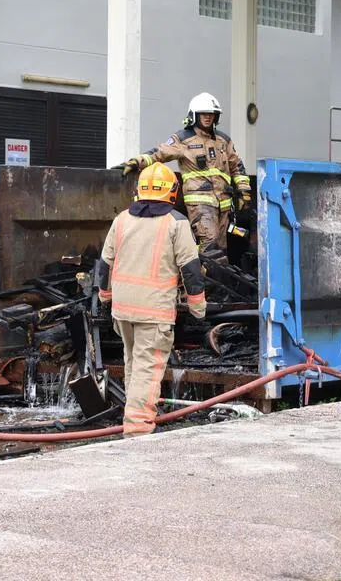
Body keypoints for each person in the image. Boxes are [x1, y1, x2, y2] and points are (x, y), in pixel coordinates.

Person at [97, 163, 208, 436]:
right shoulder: (176, 222)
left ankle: (132, 418)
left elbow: (105, 263)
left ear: (139, 190)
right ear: (172, 191)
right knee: (147, 369)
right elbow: (191, 268)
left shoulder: (122, 219)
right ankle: (137, 429)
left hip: (123, 309)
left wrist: (105, 296)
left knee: (134, 364)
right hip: (154, 311)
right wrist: (198, 307)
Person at [122, 92, 251, 260]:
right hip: (200, 204)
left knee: (221, 248)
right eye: (203, 114)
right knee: (209, 243)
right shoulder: (183, 139)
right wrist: (137, 162)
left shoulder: (223, 140)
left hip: (224, 205)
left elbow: (237, 166)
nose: (208, 117)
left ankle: (217, 276)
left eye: (211, 114)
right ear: (194, 116)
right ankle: (203, 275)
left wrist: (244, 192)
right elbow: (159, 153)